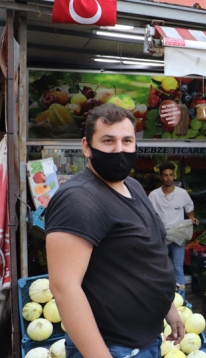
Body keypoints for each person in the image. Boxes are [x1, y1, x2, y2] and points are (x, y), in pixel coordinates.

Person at [45, 104, 184, 358]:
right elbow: (65, 288)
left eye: (127, 140)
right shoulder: (78, 199)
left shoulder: (133, 186)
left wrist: (169, 308)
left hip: (146, 340)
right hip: (112, 347)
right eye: (108, 141)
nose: (119, 149)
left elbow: (145, 254)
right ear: (87, 146)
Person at [148, 162, 199, 299]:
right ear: (161, 177)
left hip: (178, 238)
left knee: (178, 269)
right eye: (165, 175)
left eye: (171, 175)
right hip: (161, 239)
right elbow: (148, 214)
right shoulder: (154, 195)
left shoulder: (182, 193)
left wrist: (192, 217)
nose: (168, 178)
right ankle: (163, 297)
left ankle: (180, 298)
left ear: (174, 176)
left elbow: (189, 207)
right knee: (161, 270)